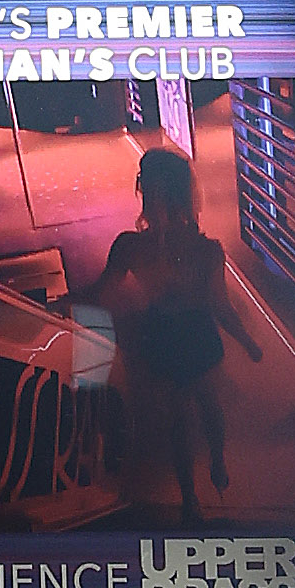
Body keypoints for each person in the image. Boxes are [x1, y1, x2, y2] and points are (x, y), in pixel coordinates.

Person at [96, 137, 236, 520]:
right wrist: (247, 341)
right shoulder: (204, 249)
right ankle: (196, 487)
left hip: (165, 335)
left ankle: (198, 488)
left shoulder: (133, 246)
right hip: (186, 335)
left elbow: (101, 291)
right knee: (198, 411)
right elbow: (217, 304)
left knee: (194, 412)